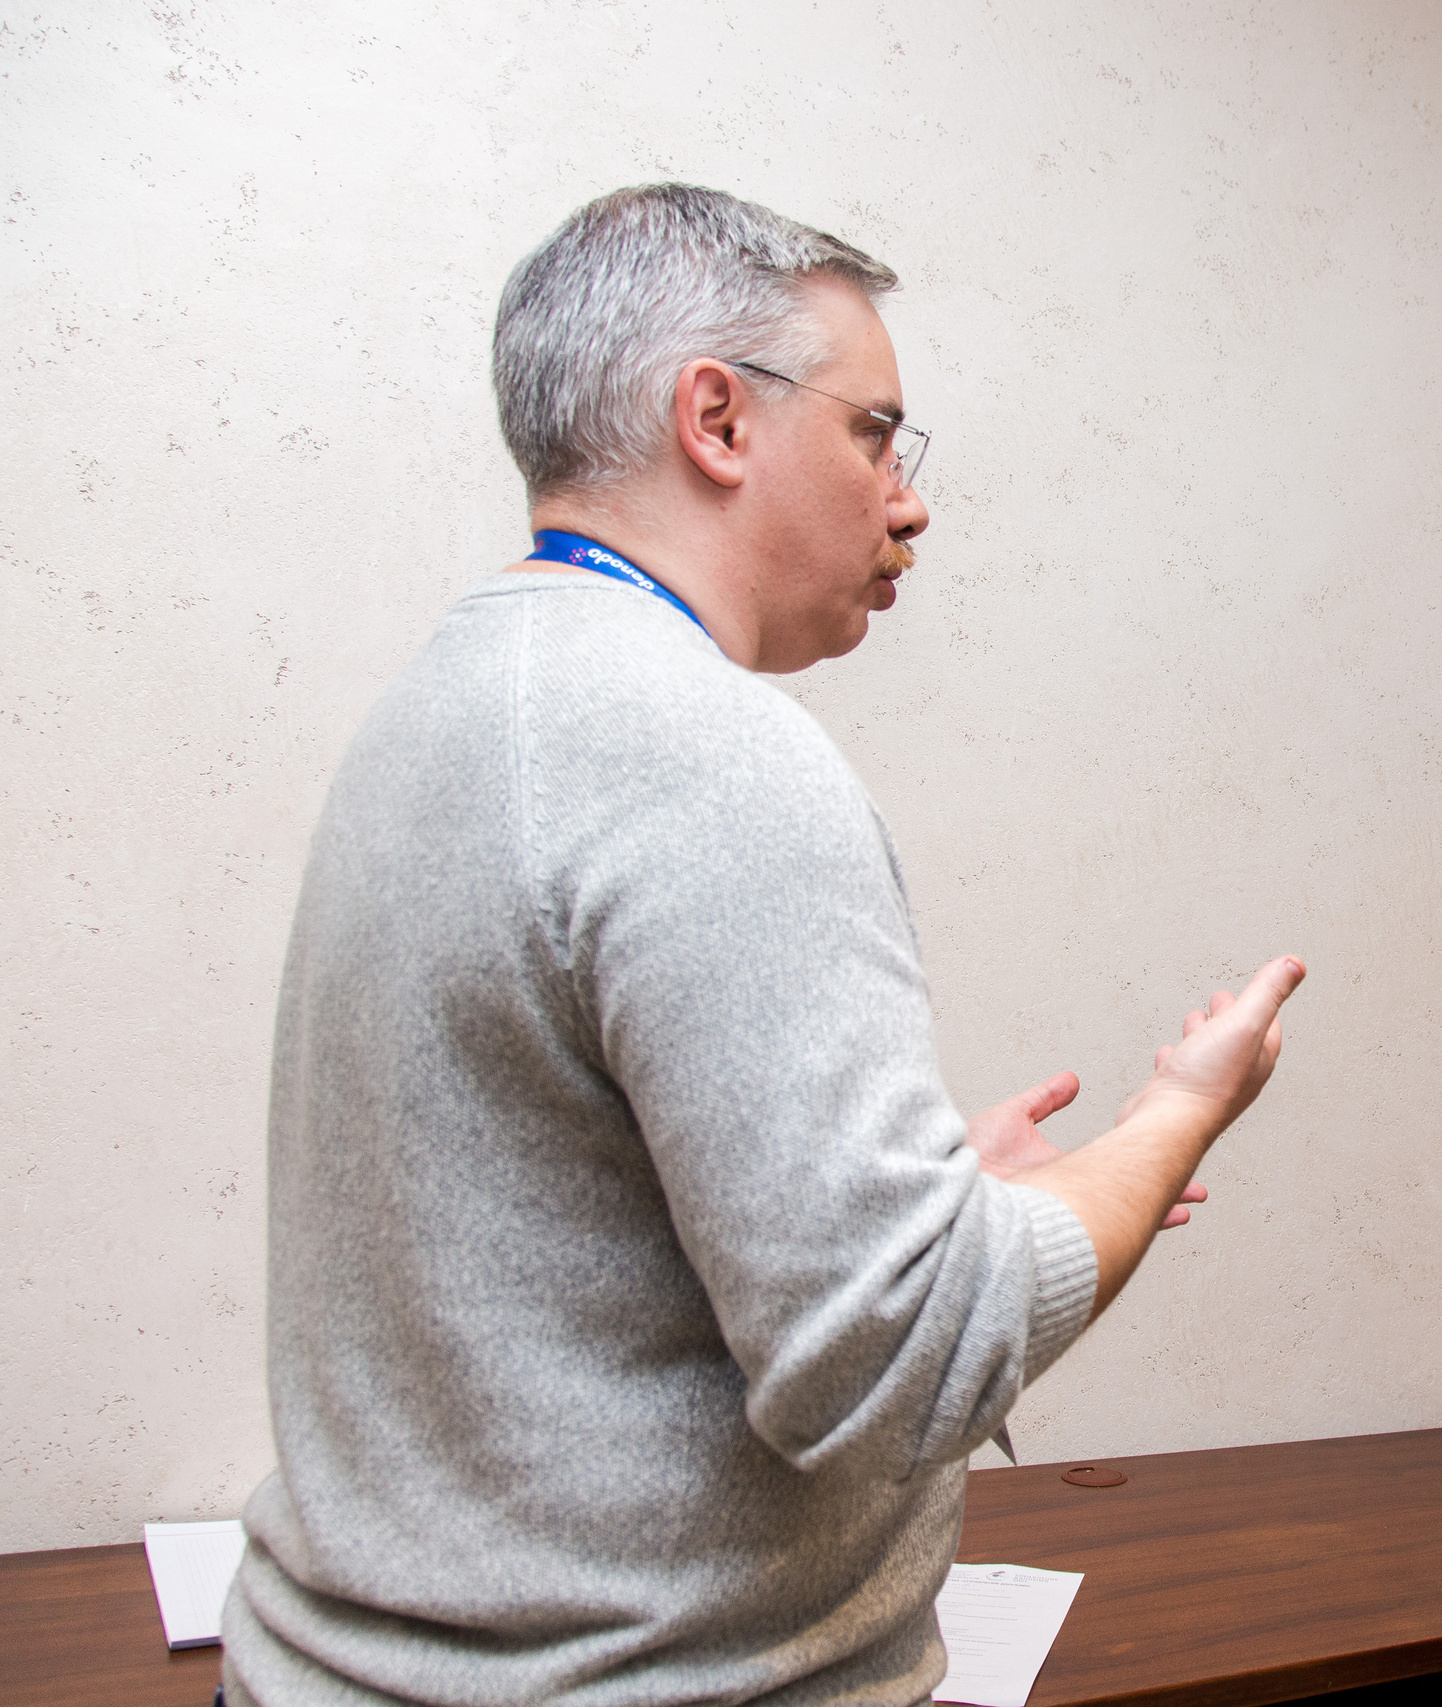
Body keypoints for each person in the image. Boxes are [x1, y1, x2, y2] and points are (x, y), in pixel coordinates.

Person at [222, 185, 1306, 1706]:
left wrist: (923, 1212)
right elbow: (908, 1362)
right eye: (877, 432)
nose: (909, 499)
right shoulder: (704, 748)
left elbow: (556, 1232)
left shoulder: (447, 703)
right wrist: (1181, 1109)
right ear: (718, 419)